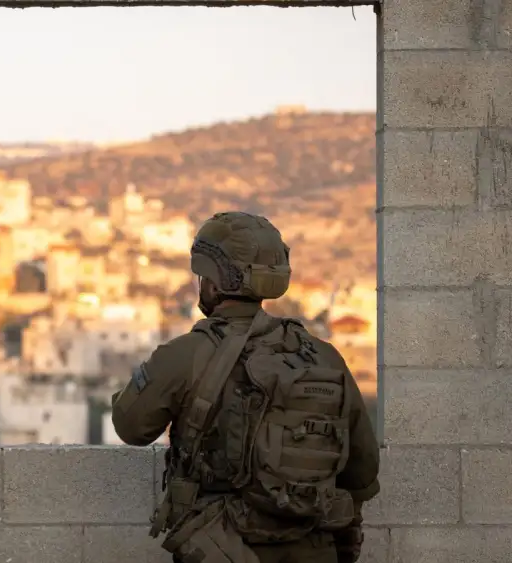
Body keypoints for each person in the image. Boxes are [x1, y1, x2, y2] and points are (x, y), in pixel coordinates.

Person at [111, 212, 379, 563]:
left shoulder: (188, 353)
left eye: (202, 275)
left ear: (215, 281)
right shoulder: (323, 357)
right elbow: (362, 472)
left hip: (222, 547)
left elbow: (130, 427)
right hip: (313, 548)